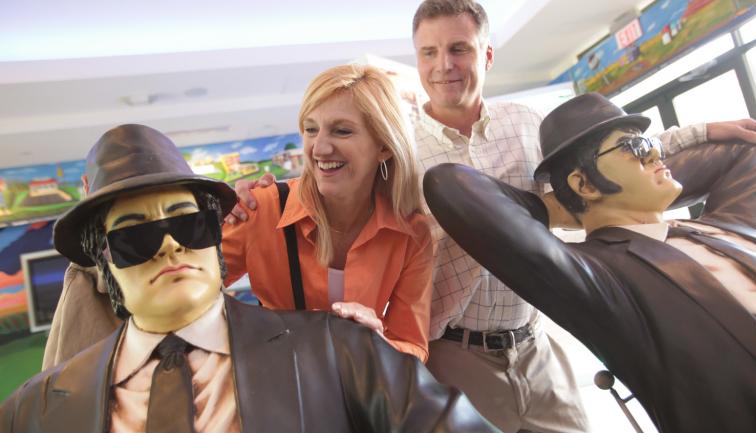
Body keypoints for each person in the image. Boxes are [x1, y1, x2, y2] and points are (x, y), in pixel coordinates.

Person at [225, 2, 756, 430]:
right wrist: (240, 201)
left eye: (459, 49)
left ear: (485, 55)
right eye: (429, 52)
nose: (444, 66)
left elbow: (604, 160)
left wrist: (700, 132)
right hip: (454, 349)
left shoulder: (526, 124)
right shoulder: (400, 151)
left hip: (534, 342)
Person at [1, 124, 497, 433]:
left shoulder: (341, 351)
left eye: (189, 224)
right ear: (103, 260)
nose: (170, 246)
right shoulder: (33, 411)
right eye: (135, 236)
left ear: (215, 233)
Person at [422, 92, 756, 433]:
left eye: (651, 144)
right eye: (634, 147)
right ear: (583, 183)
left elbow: (753, 151)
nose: (654, 153)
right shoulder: (601, 276)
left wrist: (633, 180)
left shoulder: (727, 223)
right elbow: (450, 184)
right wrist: (568, 205)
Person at [222, 64, 433, 361]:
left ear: (384, 147)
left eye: (342, 131)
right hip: (277, 381)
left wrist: (377, 340)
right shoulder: (261, 208)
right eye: (311, 129)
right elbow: (183, 298)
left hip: (358, 385)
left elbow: (413, 347)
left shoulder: (410, 233)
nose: (319, 149)